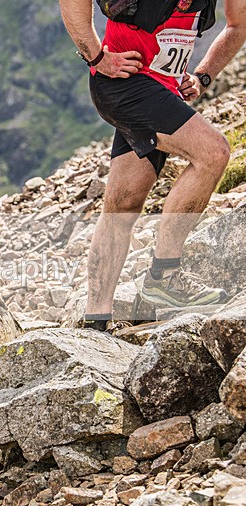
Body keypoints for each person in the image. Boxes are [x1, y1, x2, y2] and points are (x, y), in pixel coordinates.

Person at [58, 0, 244, 331]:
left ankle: (95, 322)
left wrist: (203, 76)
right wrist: (96, 57)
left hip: (162, 89)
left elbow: (238, 25)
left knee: (123, 202)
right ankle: (164, 277)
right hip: (124, 83)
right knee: (213, 153)